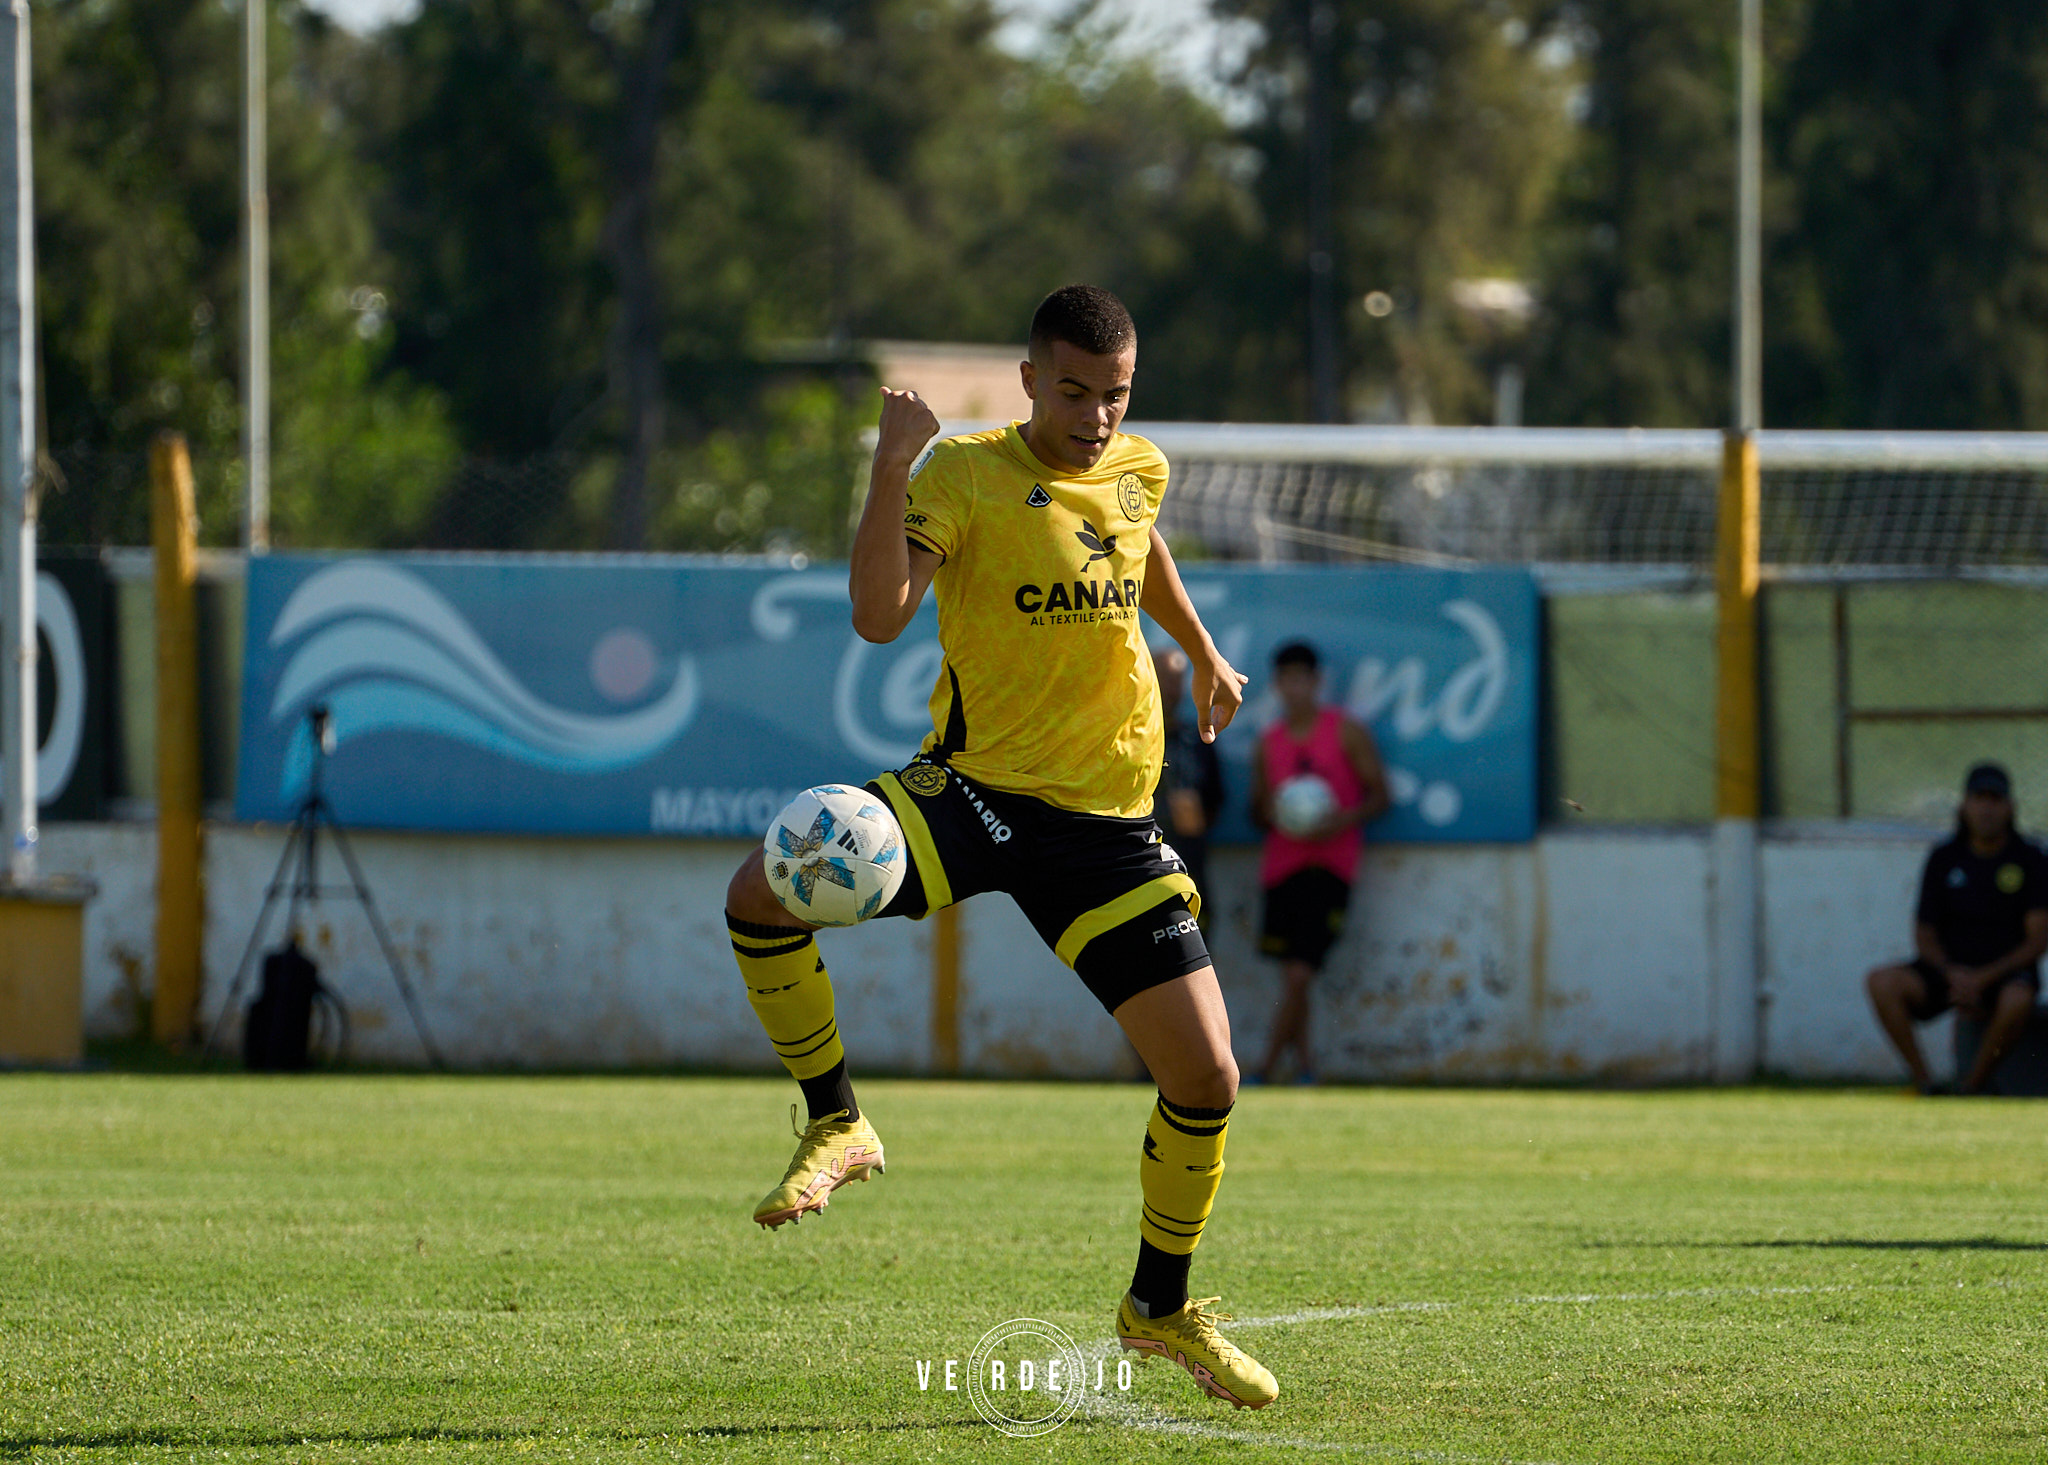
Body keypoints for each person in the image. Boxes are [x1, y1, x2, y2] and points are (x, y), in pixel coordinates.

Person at [721, 285, 1277, 1410]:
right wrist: (889, 468)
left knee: (1207, 1075)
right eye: (1072, 391)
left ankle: (1155, 1307)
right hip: (973, 794)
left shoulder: (1137, 467)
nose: (1094, 417)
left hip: (1108, 829)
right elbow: (880, 616)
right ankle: (835, 1120)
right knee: (761, 890)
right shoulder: (962, 473)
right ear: (1029, 379)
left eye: (1113, 395)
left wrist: (1206, 652)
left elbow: (1137, 543)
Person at [1248, 640, 1389, 1085]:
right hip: (1281, 866)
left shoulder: (1346, 732)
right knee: (1294, 977)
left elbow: (1381, 796)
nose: (1294, 688)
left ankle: (1265, 1068)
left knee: (1299, 973)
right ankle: (1306, 1067)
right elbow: (1256, 811)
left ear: (1317, 681)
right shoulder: (1268, 743)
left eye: (1302, 679)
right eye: (1286, 680)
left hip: (1331, 867)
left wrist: (1341, 821)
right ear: (1277, 685)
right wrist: (1275, 813)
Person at [1865, 762, 2048, 1096]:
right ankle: (1926, 1083)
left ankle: (1971, 1088)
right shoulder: (1945, 858)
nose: (1987, 808)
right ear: (1964, 806)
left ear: (2010, 807)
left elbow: (2038, 938)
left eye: (1995, 799)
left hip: (2002, 976)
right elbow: (1924, 934)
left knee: (2018, 998)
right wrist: (1954, 974)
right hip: (1948, 975)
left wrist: (1985, 977)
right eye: (1979, 798)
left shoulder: (2030, 858)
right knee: (1882, 982)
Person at [1152, 644, 1225, 913]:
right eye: (1164, 678)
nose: (1171, 690)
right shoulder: (1129, 738)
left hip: (1189, 865)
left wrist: (1195, 823)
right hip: (1143, 867)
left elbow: (1215, 797)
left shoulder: (1198, 738)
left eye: (1177, 681)